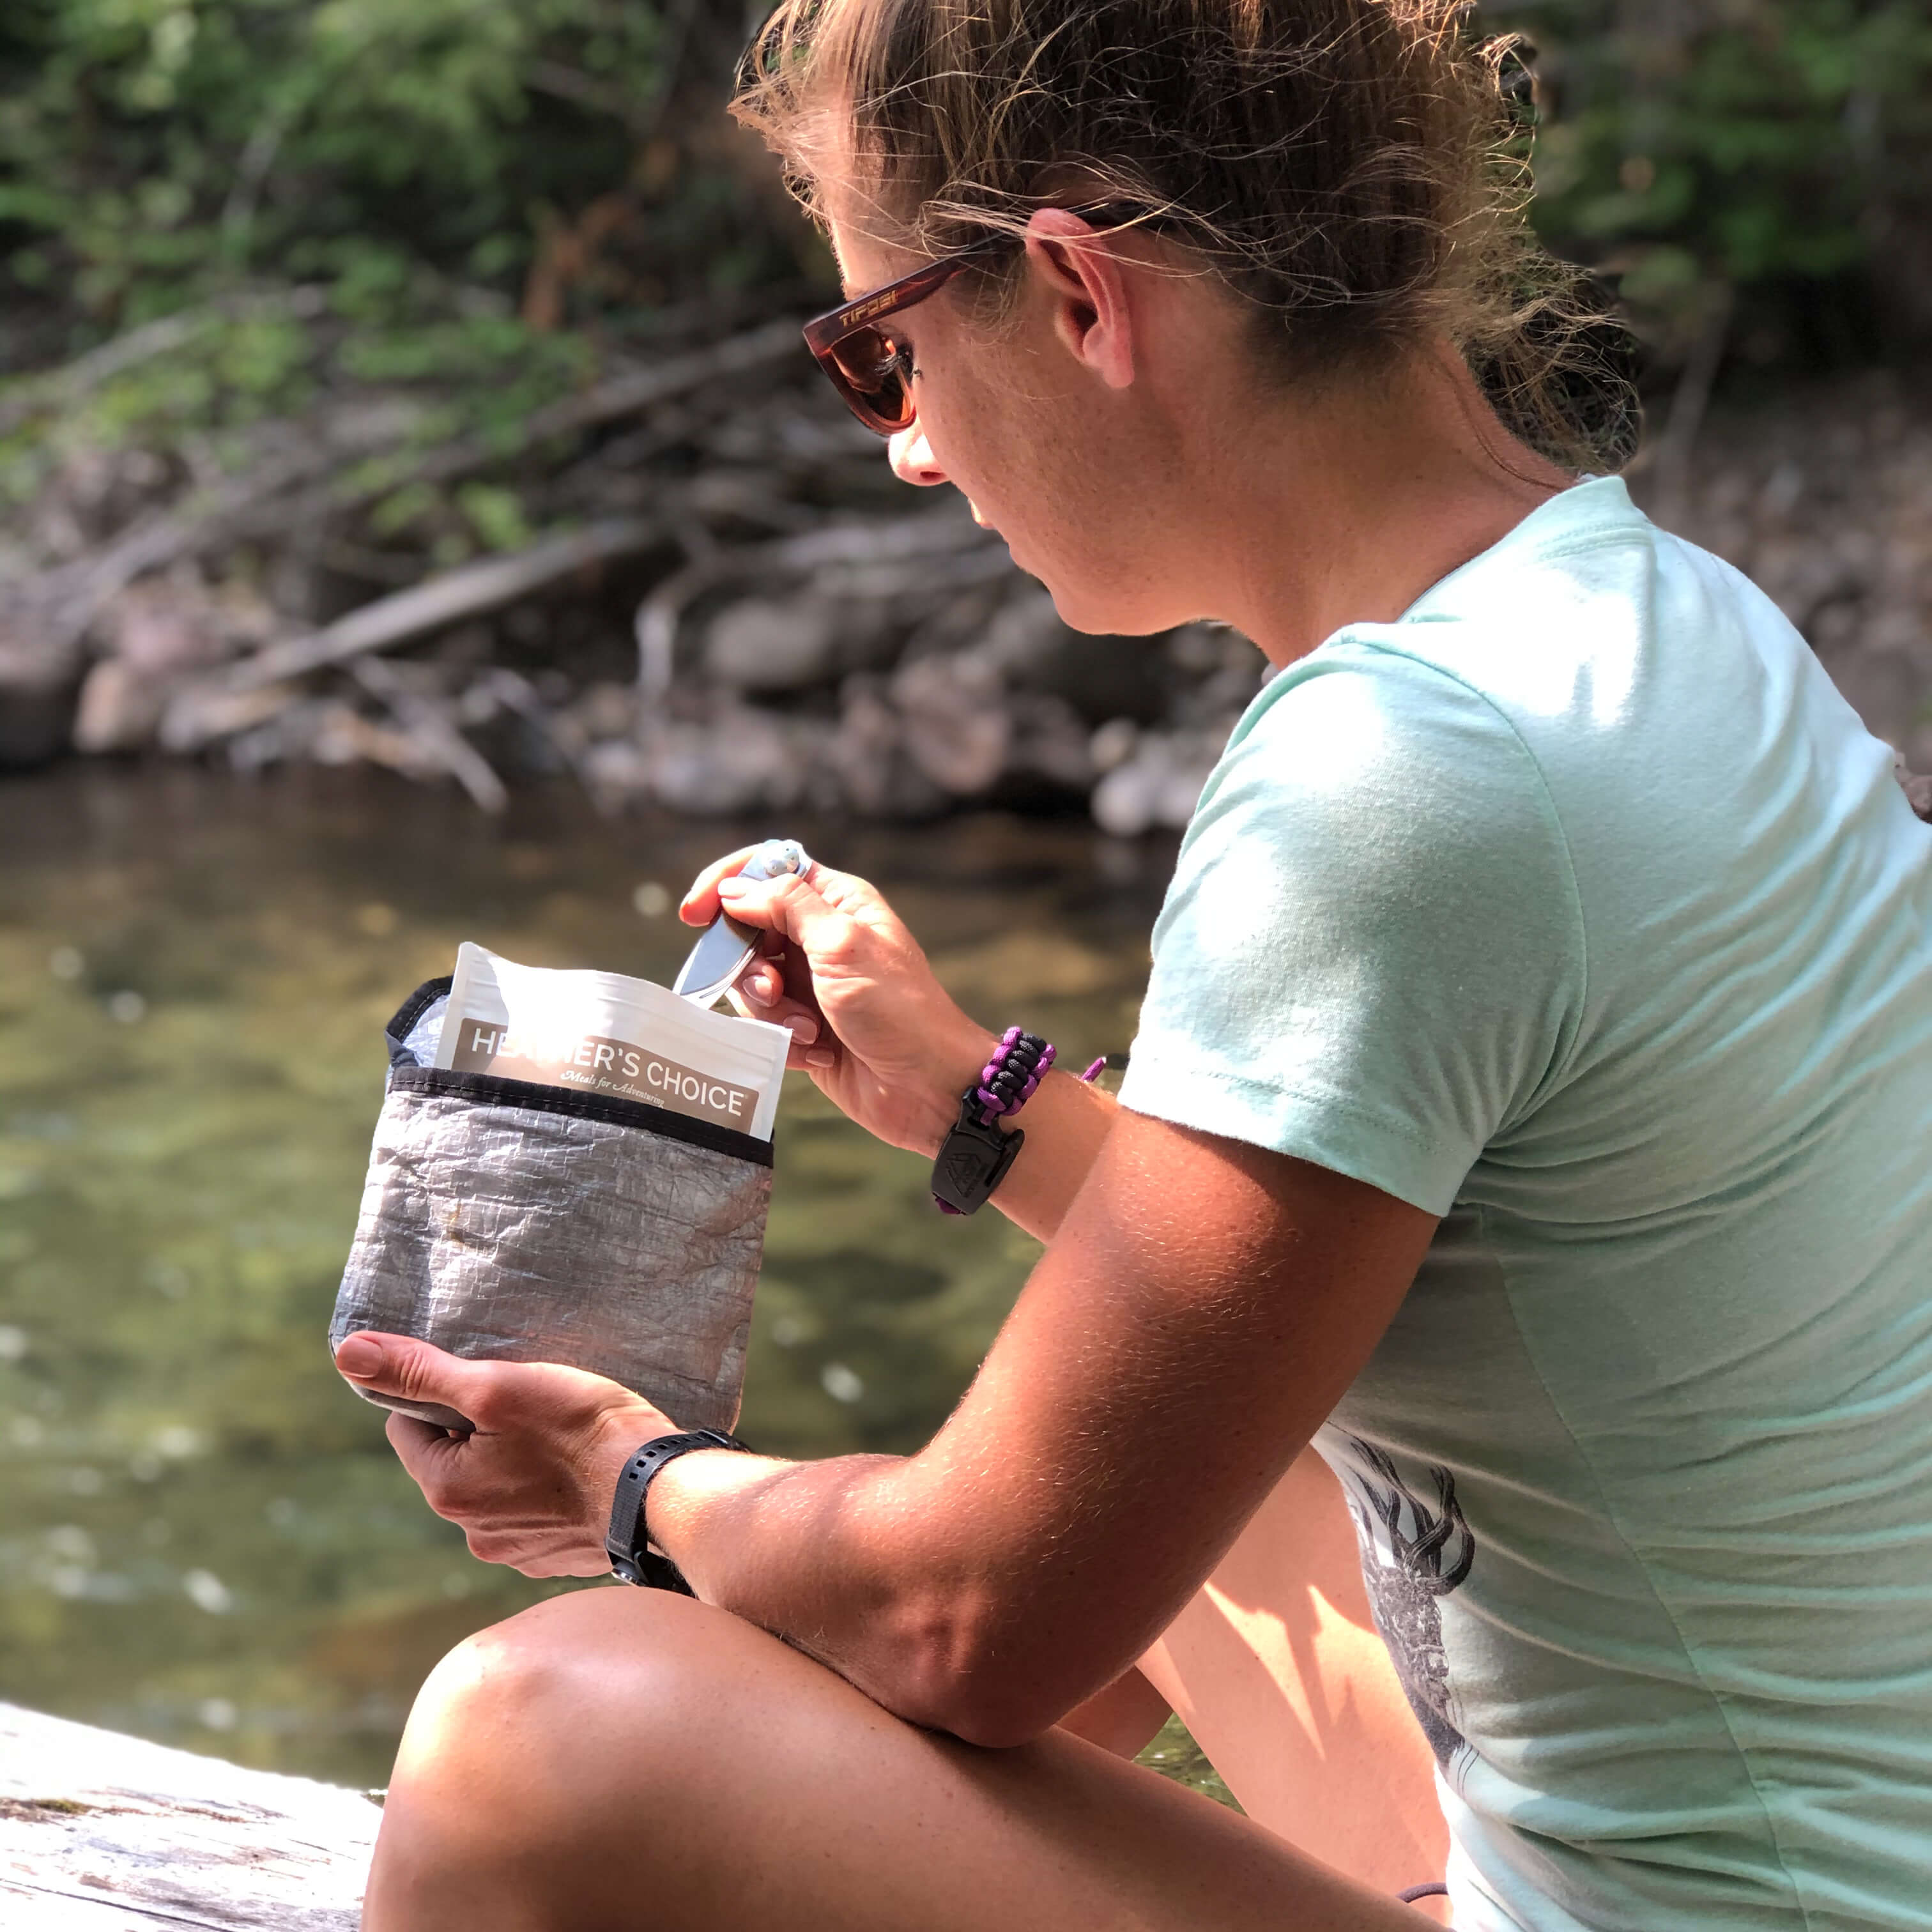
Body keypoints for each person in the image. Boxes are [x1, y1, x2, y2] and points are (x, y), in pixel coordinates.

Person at [332, 2, 1932, 1926]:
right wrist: (977, 1102)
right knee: (1172, 1492)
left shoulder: (1391, 784)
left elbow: (971, 1619)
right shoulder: (1653, 618)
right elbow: (1298, 1265)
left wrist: (630, 1479)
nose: (909, 448)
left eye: (884, 354)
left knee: (539, 1739)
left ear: (1081, 292)